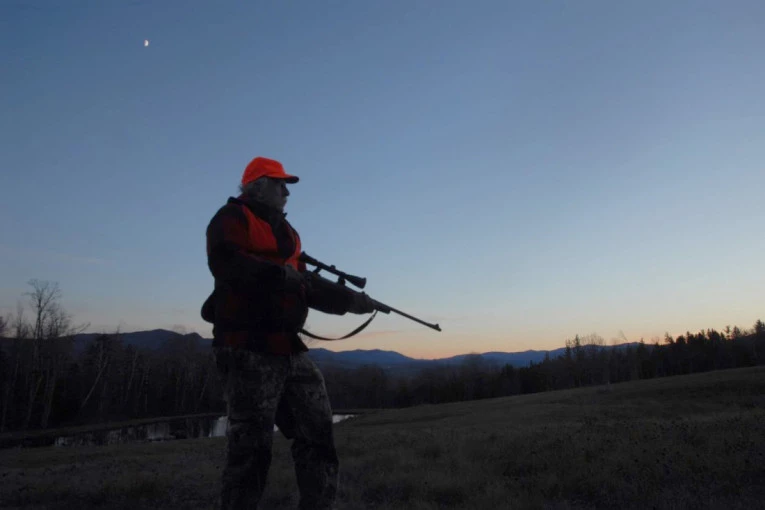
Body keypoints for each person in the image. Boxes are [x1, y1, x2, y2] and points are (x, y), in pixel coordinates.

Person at [202, 156, 375, 510]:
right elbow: (225, 261)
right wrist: (279, 275)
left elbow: (305, 284)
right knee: (251, 449)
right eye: (280, 184)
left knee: (318, 435)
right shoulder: (231, 217)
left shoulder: (288, 233)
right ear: (258, 186)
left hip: (290, 349)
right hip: (247, 349)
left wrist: (351, 301)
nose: (286, 192)